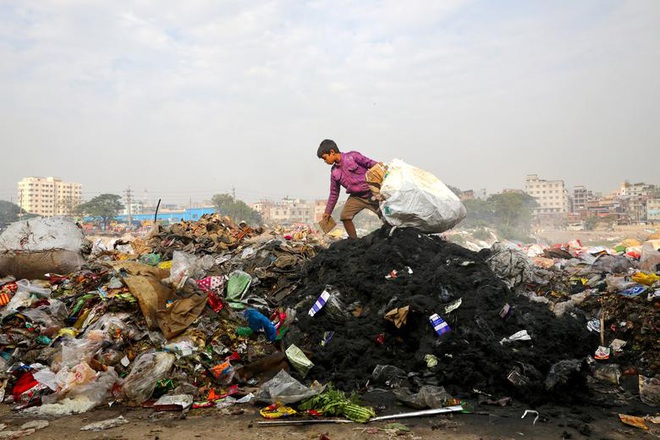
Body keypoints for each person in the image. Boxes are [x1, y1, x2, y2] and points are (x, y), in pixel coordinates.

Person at [317, 139, 383, 239]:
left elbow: (371, 163)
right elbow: (334, 193)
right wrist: (327, 212)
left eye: (325, 158)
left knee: (386, 216)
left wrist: (383, 169)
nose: (325, 161)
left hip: (372, 194)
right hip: (356, 198)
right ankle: (354, 241)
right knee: (344, 216)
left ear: (332, 152)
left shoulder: (353, 156)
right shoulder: (334, 172)